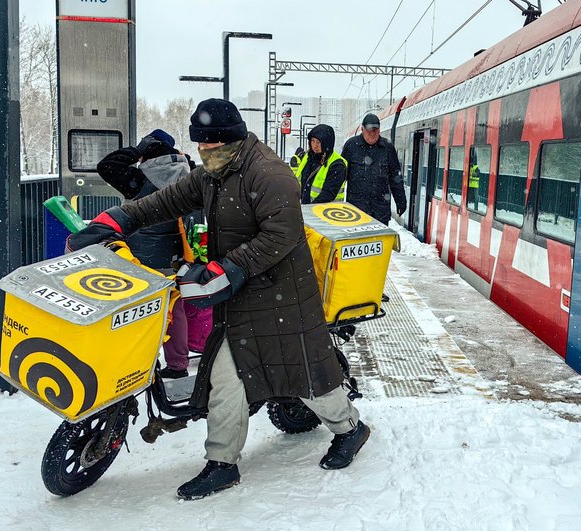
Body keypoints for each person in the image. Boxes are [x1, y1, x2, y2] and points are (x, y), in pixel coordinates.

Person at [68, 98, 370, 500]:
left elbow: (279, 236)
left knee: (307, 378)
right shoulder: (213, 172)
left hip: (283, 297)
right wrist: (116, 220)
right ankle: (222, 465)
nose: (204, 155)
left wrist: (224, 269)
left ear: (233, 141)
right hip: (243, 294)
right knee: (228, 379)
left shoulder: (270, 175)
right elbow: (166, 200)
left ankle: (351, 428)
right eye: (201, 148)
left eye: (212, 148)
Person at [94, 129, 205, 380]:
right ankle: (177, 365)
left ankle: (141, 363)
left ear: (147, 154)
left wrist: (137, 150)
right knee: (173, 309)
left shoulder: (138, 178)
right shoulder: (188, 176)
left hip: (140, 257)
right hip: (175, 257)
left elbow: (107, 165)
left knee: (139, 310)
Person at [340, 113, 407, 225]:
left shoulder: (387, 147)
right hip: (356, 210)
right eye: (369, 131)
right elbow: (341, 176)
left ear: (379, 130)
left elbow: (395, 176)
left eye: (375, 131)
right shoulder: (351, 146)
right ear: (362, 129)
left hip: (380, 211)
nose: (372, 134)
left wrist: (401, 201)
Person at [295, 124, 347, 204]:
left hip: (326, 212)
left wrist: (310, 209)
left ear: (327, 143)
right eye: (313, 141)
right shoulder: (308, 157)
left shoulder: (337, 165)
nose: (315, 145)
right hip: (306, 209)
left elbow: (328, 194)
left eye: (319, 142)